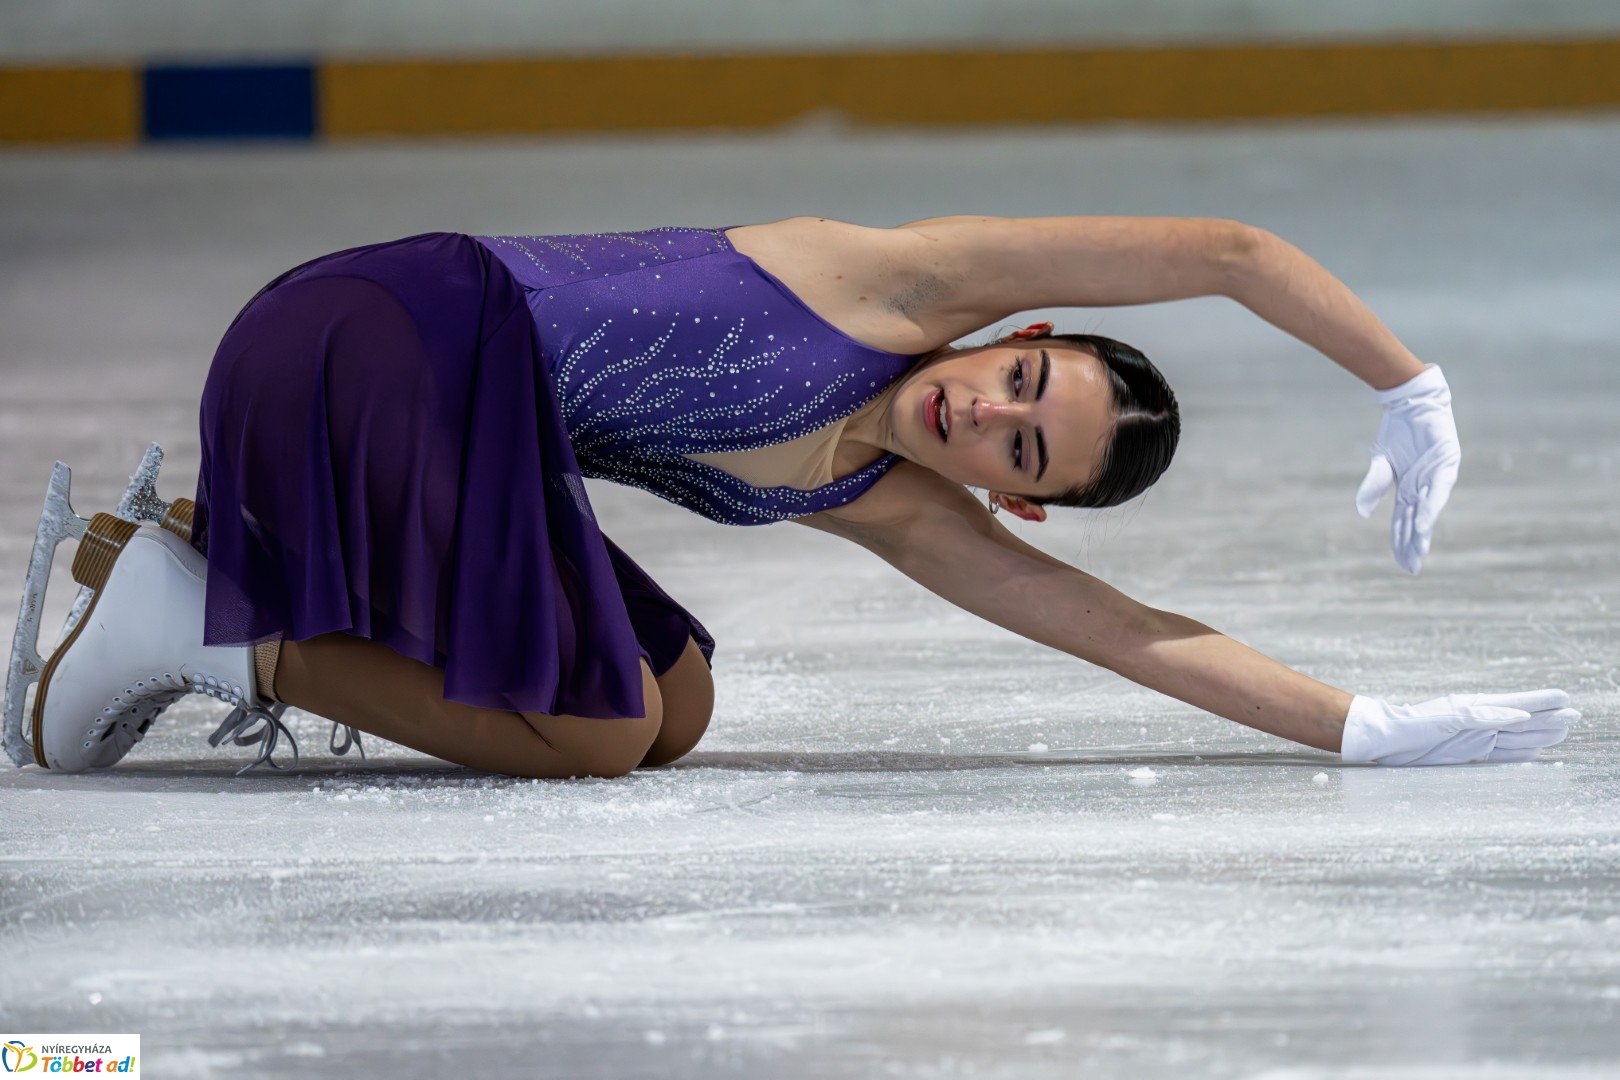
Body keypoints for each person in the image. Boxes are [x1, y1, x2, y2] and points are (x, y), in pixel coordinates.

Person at [7, 216, 1576, 778]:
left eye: (1022, 450)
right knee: (605, 731)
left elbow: (1130, 635)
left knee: (672, 700)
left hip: (443, 411)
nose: (989, 412)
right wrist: (1403, 379)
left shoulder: (887, 498)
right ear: (1018, 336)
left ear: (1014, 503)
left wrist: (1356, 722)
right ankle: (205, 629)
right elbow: (1229, 255)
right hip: (388, 332)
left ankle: (199, 570)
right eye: (1024, 382)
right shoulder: (892, 286)